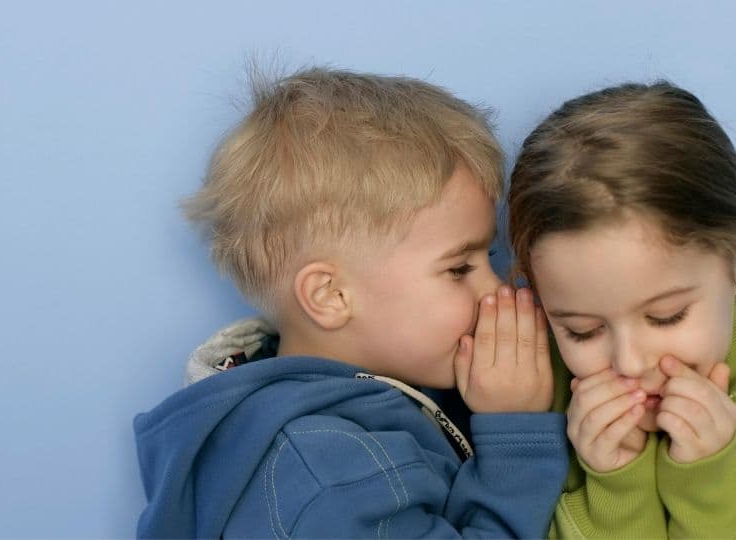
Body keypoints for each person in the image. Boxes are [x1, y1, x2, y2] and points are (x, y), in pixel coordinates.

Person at [134, 67, 568, 538]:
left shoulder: (364, 400)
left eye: (490, 256)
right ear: (332, 296)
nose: (498, 291)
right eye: (459, 268)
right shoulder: (324, 474)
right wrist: (516, 436)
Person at [508, 81, 736, 538]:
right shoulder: (537, 394)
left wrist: (717, 494)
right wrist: (616, 492)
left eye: (666, 316)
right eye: (582, 330)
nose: (630, 363)